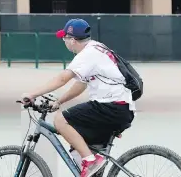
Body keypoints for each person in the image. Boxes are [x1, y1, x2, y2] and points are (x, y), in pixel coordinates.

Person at [21, 18, 135, 177]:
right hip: (119, 108)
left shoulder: (87, 54)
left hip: (110, 106)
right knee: (78, 145)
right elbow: (81, 84)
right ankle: (91, 163)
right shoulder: (96, 47)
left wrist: (32, 94)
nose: (64, 41)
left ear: (72, 40)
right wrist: (59, 101)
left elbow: (62, 79)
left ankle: (90, 160)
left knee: (60, 120)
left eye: (64, 38)